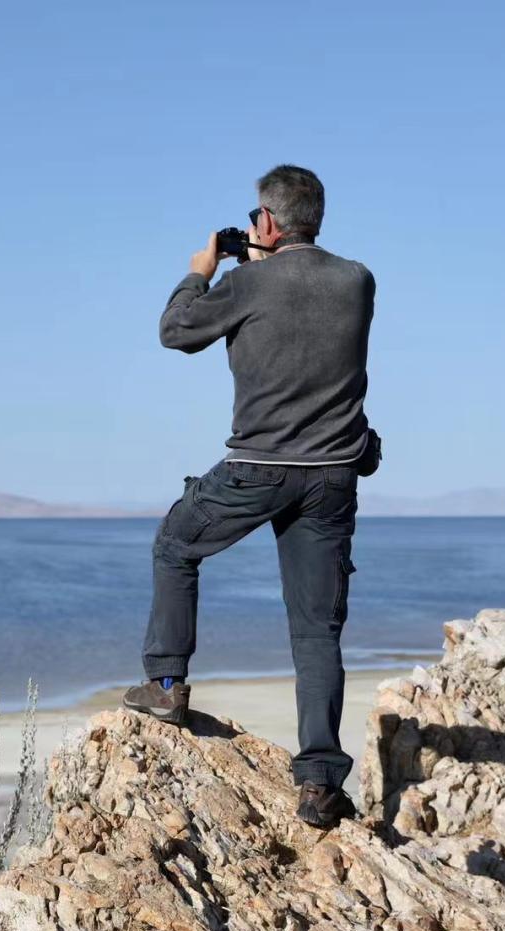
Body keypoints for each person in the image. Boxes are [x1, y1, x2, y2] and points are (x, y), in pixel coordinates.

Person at [122, 164, 378, 829]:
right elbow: (325, 345)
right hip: (333, 476)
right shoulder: (357, 281)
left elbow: (176, 332)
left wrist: (200, 269)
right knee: (316, 629)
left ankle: (167, 685)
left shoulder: (243, 282)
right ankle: (319, 782)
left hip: (259, 467)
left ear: (264, 222)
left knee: (176, 543)